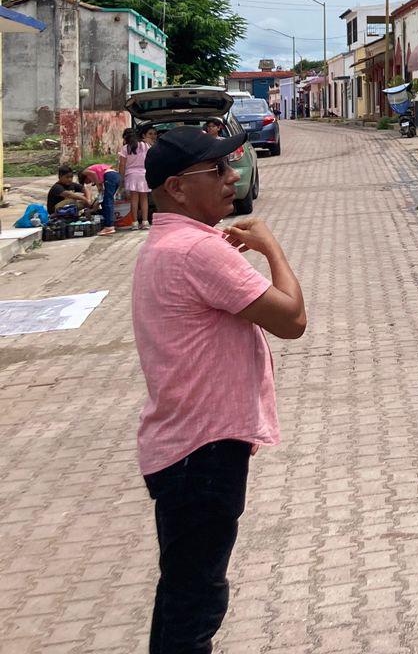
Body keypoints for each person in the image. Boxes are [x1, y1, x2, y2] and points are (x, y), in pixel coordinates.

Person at [132, 125, 307, 653]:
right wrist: (271, 247)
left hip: (184, 449)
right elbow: (292, 319)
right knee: (196, 603)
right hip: (201, 455)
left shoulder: (168, 242)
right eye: (218, 170)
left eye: (231, 166)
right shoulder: (195, 251)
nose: (234, 178)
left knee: (182, 592)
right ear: (177, 188)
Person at [122, 125, 154, 230]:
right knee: (144, 198)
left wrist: (121, 178)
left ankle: (134, 222)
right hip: (144, 174)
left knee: (134, 199)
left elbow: (122, 165)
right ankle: (145, 222)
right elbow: (150, 159)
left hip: (131, 175)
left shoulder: (125, 148)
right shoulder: (146, 145)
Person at [78, 161, 122, 235]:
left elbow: (93, 174)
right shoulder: (100, 175)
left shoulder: (85, 172)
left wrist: (98, 186)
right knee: (105, 201)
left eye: (87, 181)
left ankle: (109, 226)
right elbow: (101, 195)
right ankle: (109, 223)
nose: (89, 182)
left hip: (110, 176)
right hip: (115, 176)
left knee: (108, 201)